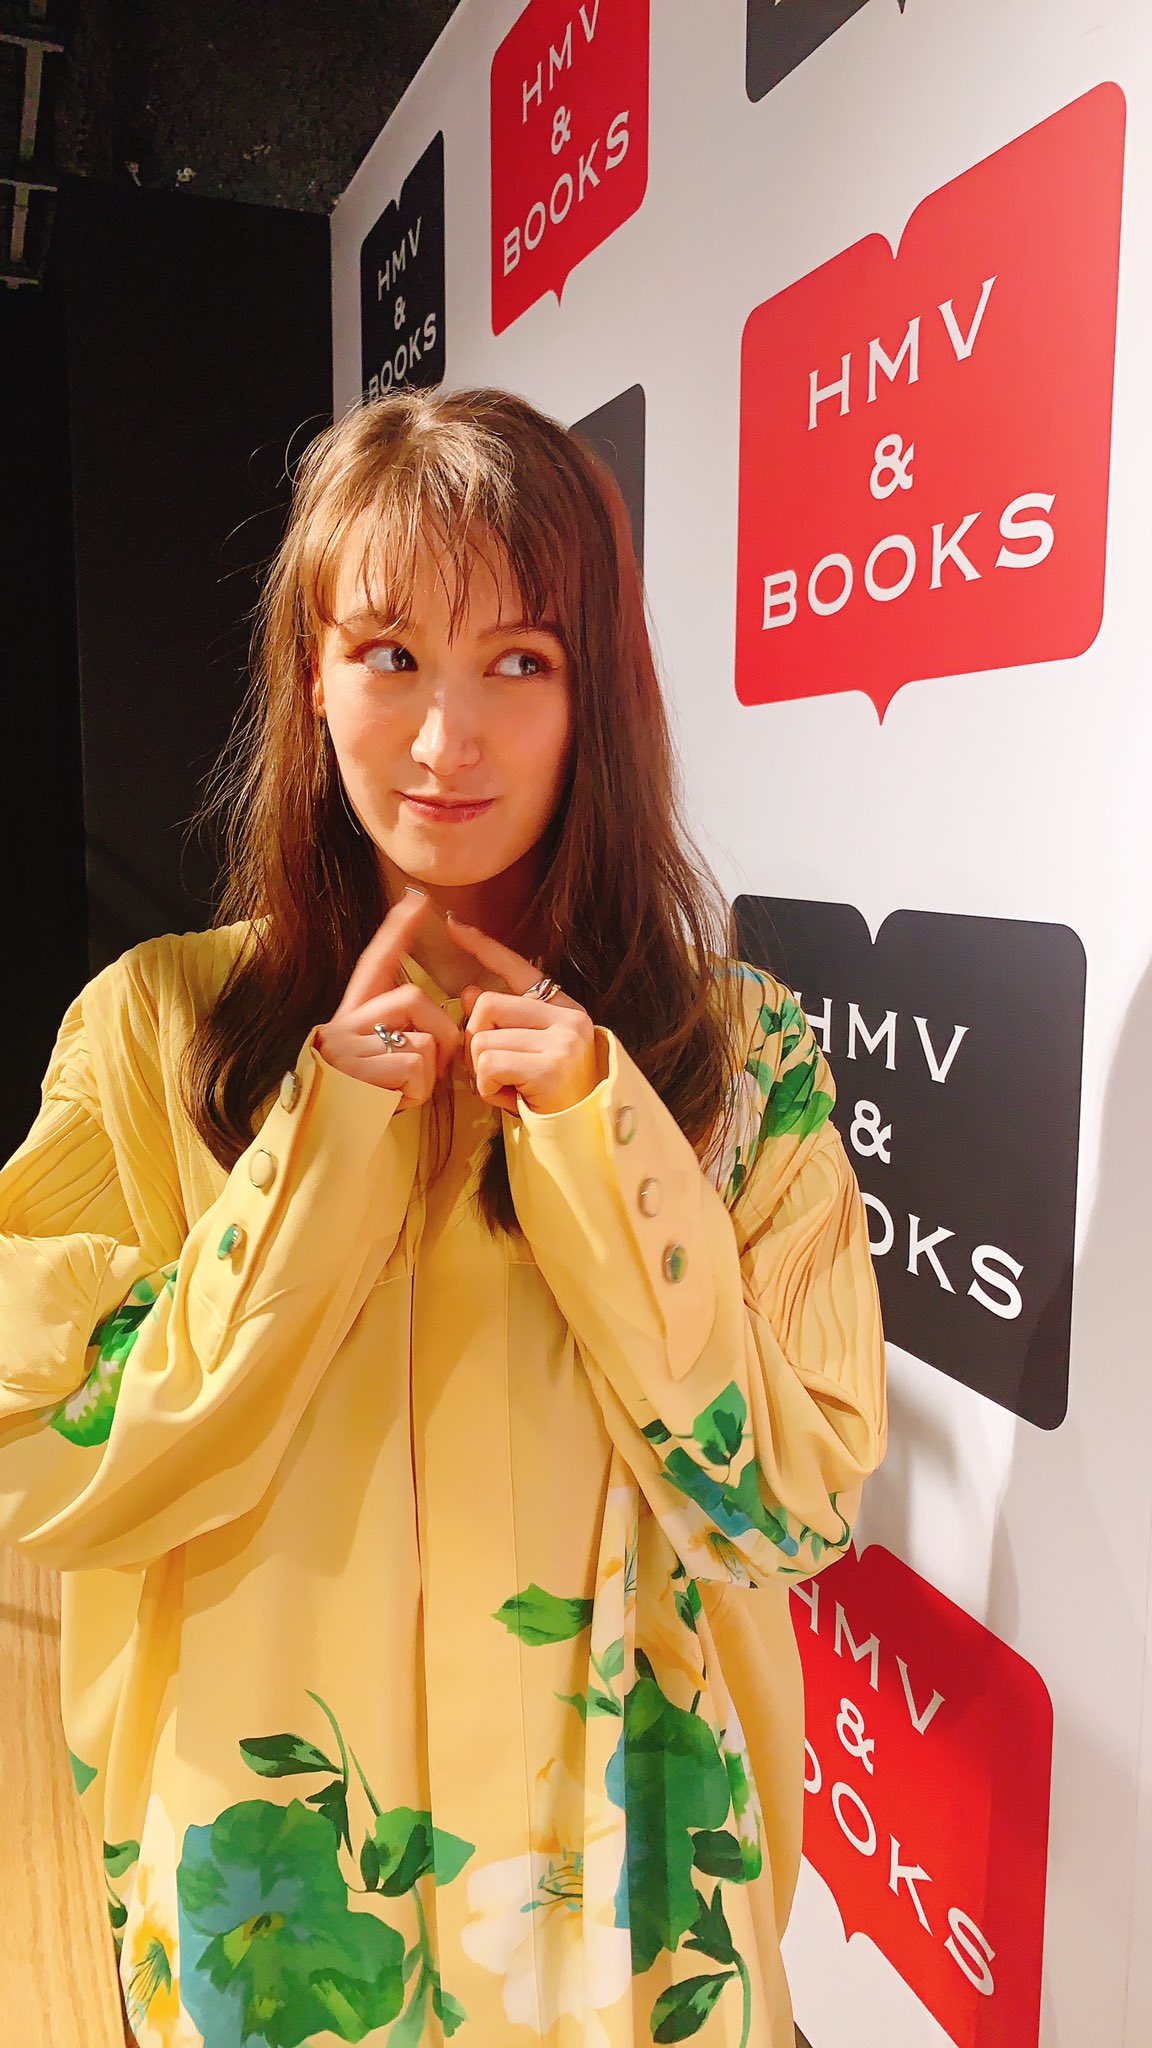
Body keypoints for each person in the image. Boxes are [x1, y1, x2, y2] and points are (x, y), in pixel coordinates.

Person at [0, 386, 886, 2048]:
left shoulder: (733, 1054)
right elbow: (48, 1460)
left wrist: (607, 1144)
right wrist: (315, 1162)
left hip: (630, 1919)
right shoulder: (154, 1036)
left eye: (519, 662)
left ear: (595, 693)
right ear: (312, 677)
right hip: (283, 1919)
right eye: (390, 653)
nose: (441, 740)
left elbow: (791, 1502)